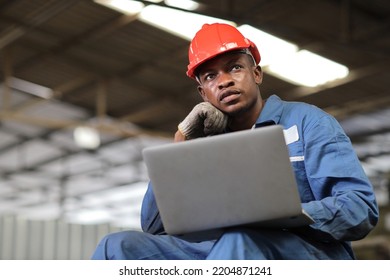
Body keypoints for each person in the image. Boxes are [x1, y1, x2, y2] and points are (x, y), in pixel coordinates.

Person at [91, 23, 379, 260]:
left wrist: (292, 214)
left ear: (256, 74)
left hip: (303, 251)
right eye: (211, 76)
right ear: (203, 93)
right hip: (221, 251)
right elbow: (154, 227)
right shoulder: (201, 142)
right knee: (117, 247)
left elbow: (360, 209)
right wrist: (183, 142)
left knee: (239, 241)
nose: (224, 81)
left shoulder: (307, 122)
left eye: (235, 68)